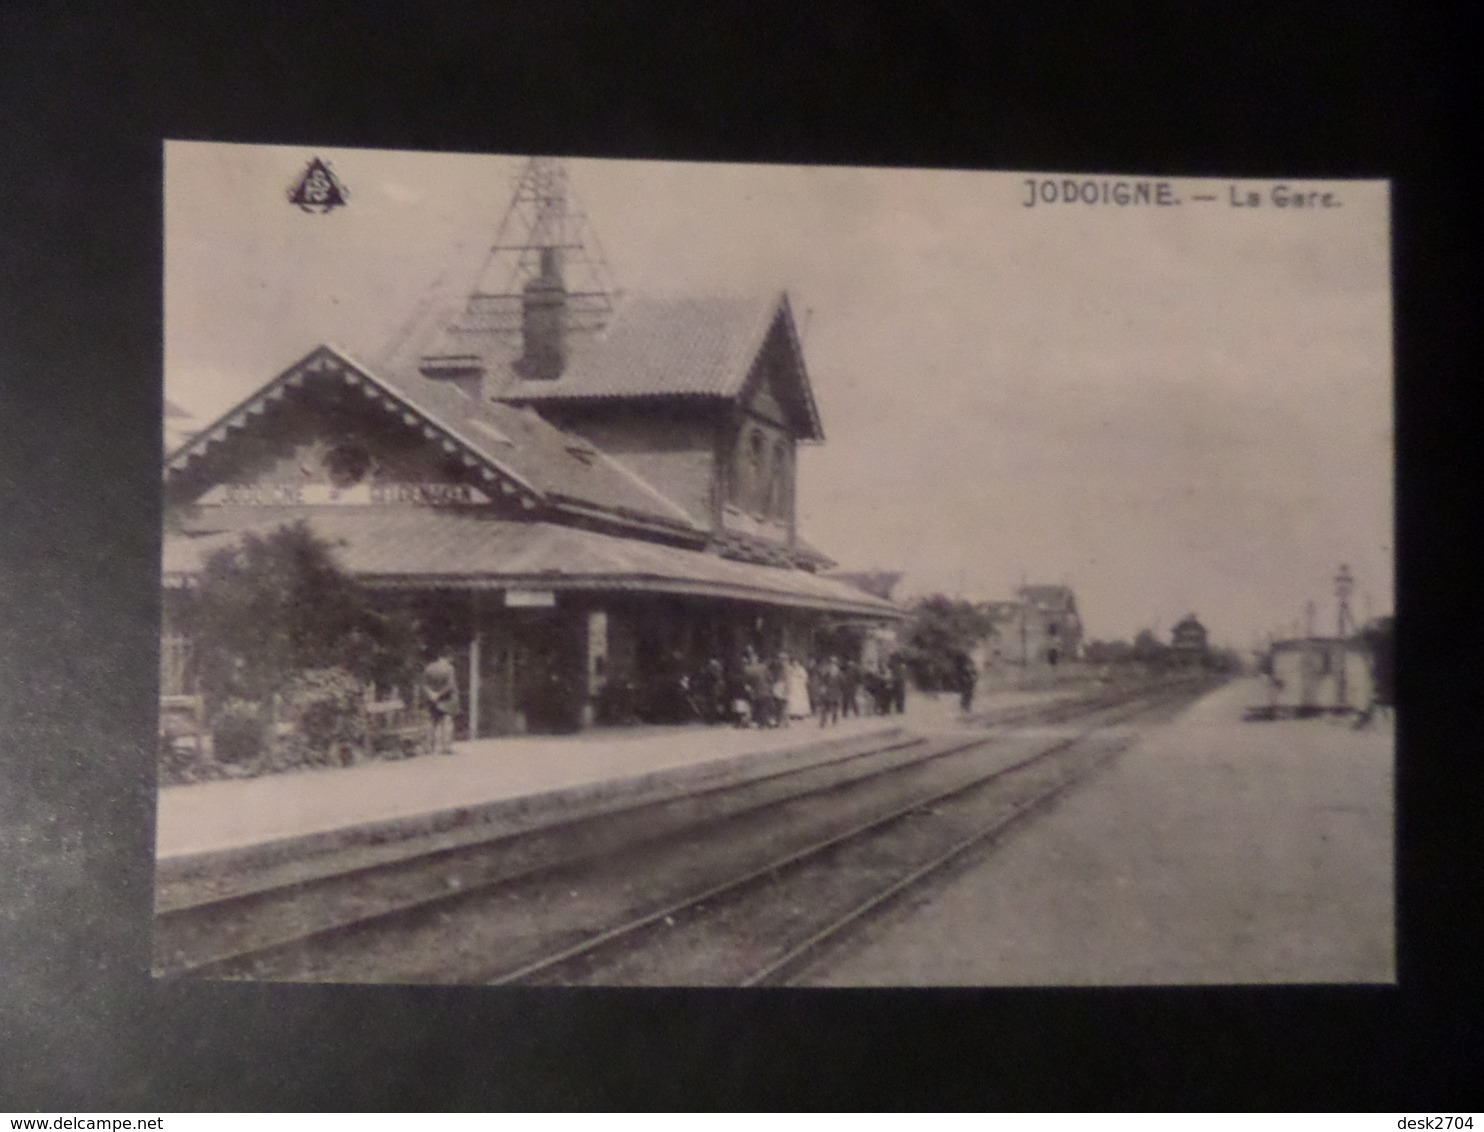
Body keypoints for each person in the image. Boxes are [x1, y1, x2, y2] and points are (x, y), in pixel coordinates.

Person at [422, 649, 460, 754]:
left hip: (431, 700)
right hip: (446, 699)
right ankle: (446, 747)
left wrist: (431, 694)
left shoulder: (428, 668)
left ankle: (428, 747)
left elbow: (424, 684)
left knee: (431, 722)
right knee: (447, 722)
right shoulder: (449, 669)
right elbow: (450, 685)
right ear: (446, 658)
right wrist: (439, 694)